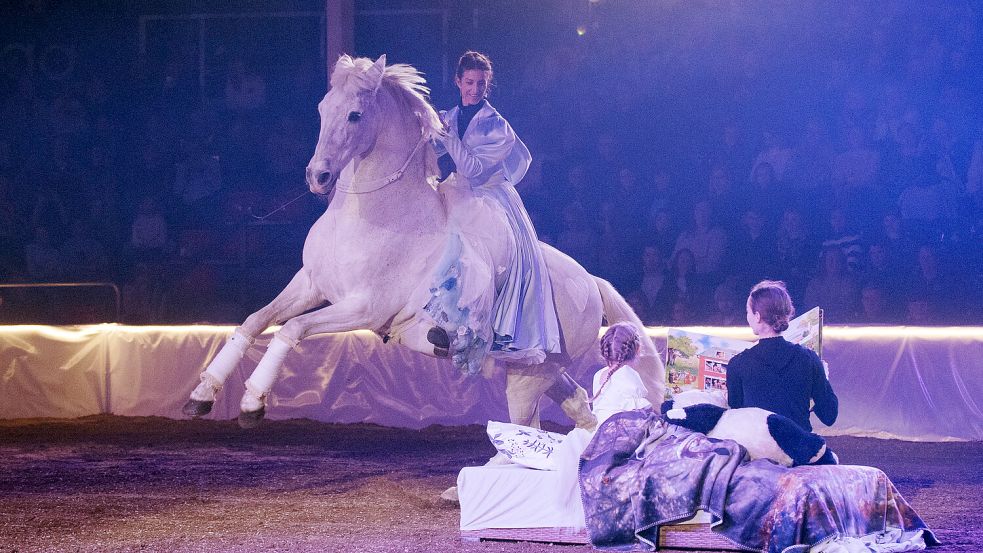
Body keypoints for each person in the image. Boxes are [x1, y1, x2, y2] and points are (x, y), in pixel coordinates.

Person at [428, 51, 560, 367]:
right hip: (459, 191)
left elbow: (472, 168)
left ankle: (476, 329)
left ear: (488, 85)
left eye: (481, 84)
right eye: (469, 82)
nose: (475, 89)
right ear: (458, 81)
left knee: (480, 257)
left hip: (490, 196)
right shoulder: (449, 117)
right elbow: (431, 150)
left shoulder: (497, 127)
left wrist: (446, 135)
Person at [726, 280, 838, 432]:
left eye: (748, 312)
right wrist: (822, 378)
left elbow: (736, 414)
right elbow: (829, 415)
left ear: (757, 316)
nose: (747, 317)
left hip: (757, 446)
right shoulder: (809, 359)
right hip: (798, 445)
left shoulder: (738, 364)